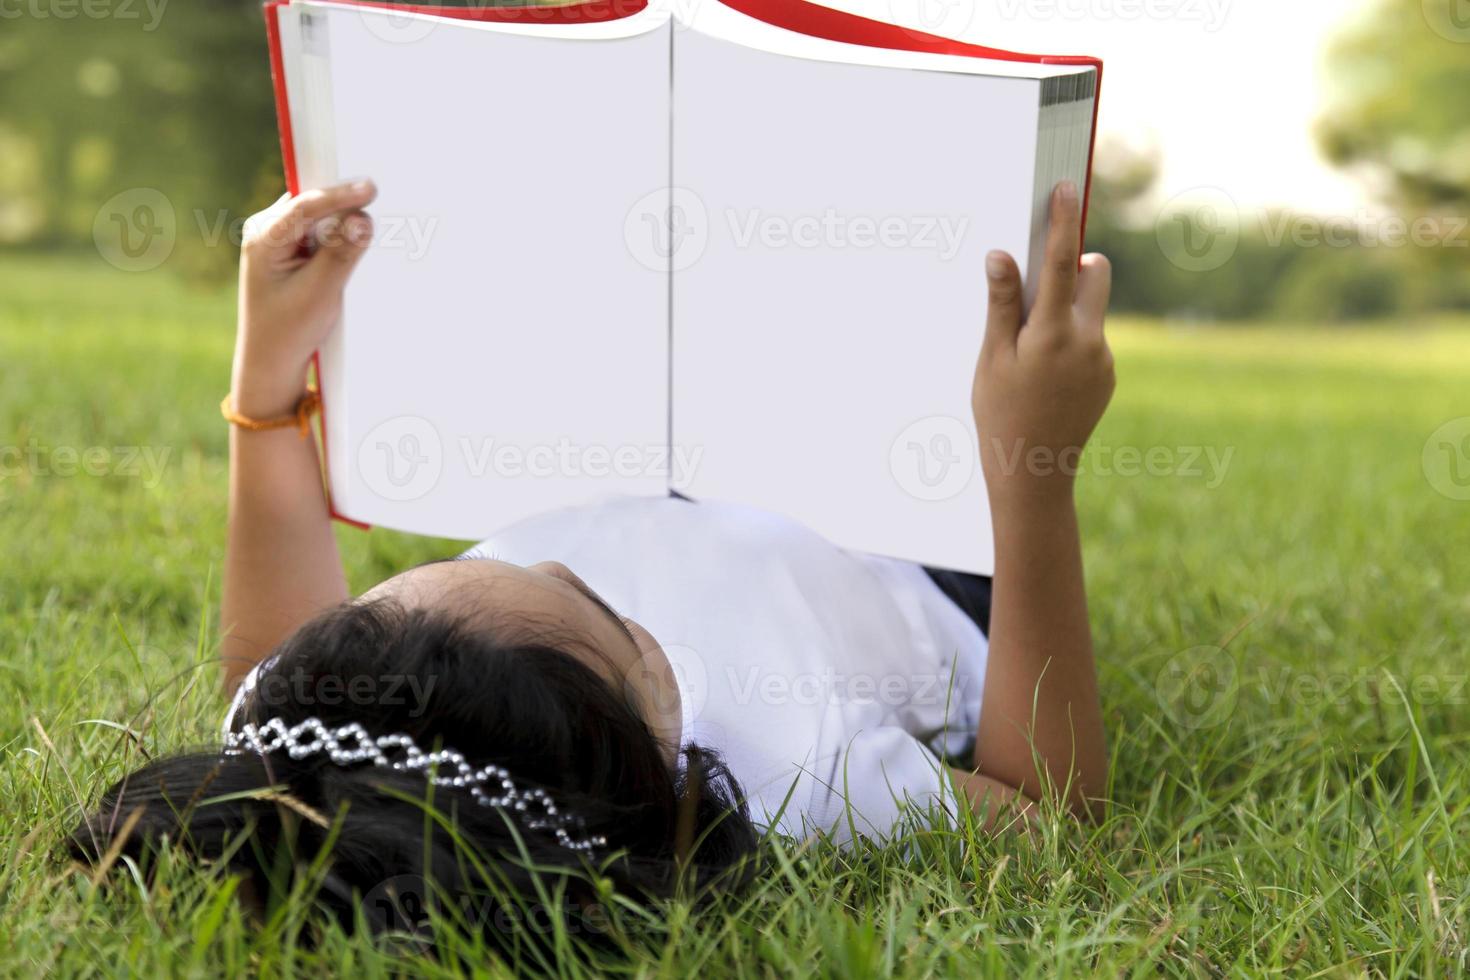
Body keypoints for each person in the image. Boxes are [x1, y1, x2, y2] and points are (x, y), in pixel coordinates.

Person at [71, 177, 1114, 941]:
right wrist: (1034, 471)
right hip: (905, 547)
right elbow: (1049, 814)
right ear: (663, 725)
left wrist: (266, 375)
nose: (574, 563)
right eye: (599, 605)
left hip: (677, 449)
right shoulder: (800, 770)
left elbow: (258, 656)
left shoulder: (332, 729)